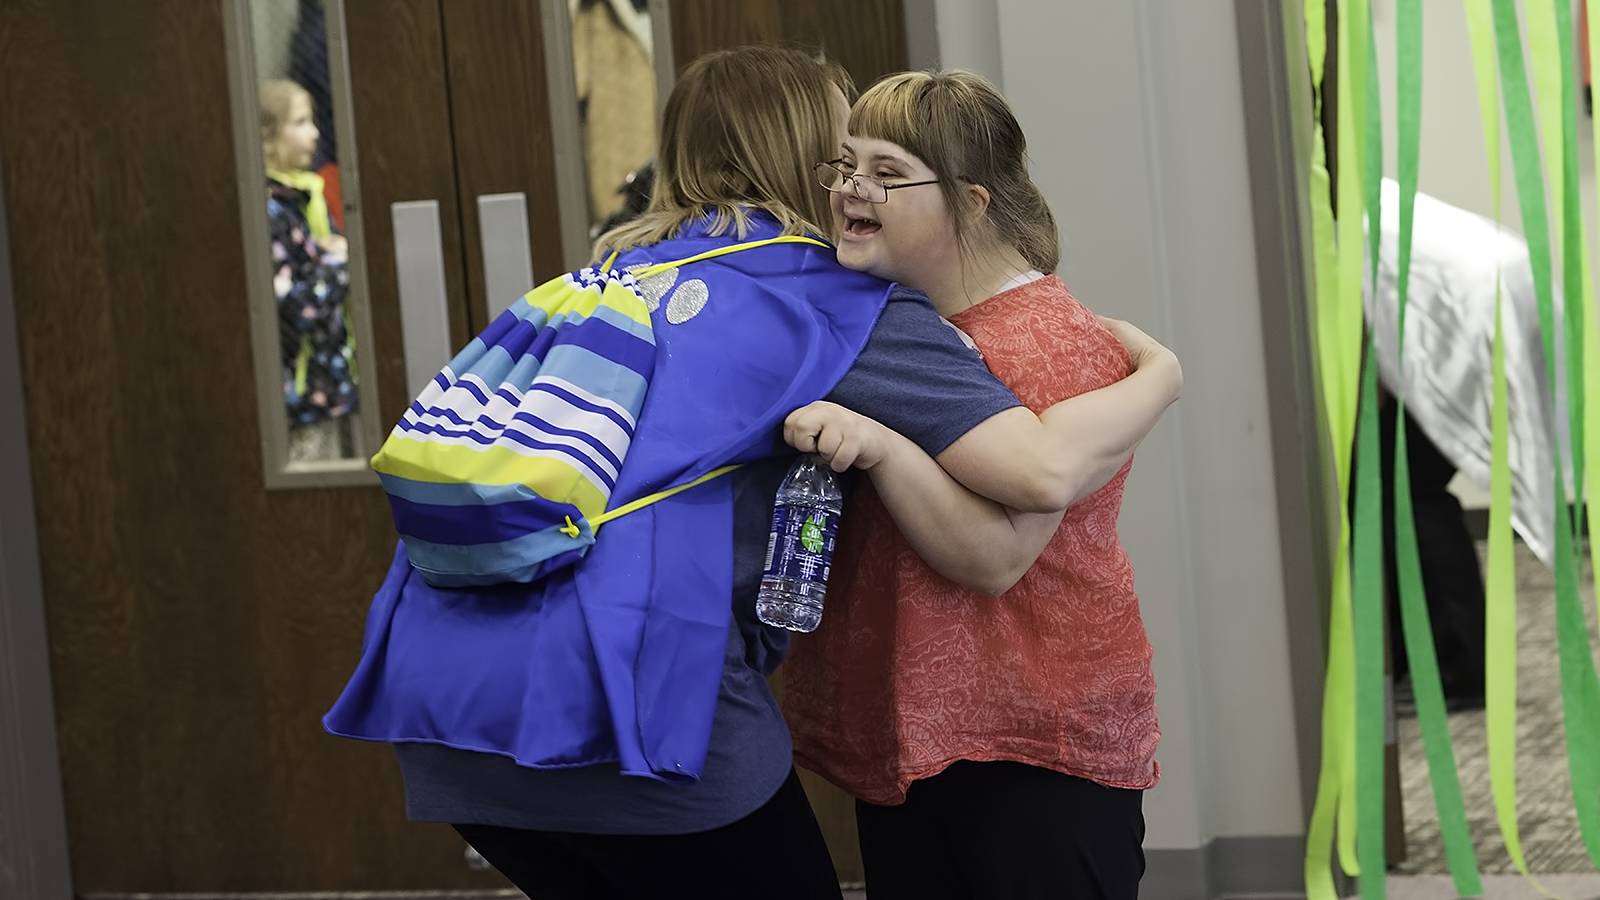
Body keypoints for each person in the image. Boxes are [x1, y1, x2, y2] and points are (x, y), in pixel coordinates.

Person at [323, 48, 1179, 900]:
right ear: (809, 154)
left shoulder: (606, 280)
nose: (850, 184)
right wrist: (1159, 376)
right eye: (844, 155)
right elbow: (1036, 472)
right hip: (634, 717)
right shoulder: (828, 301)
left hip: (449, 711)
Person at [780, 70, 1166, 900]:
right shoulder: (906, 322)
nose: (853, 189)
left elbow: (997, 559)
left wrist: (881, 446)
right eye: (847, 166)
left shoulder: (1047, 339)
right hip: (928, 743)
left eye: (888, 173)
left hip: (1031, 743)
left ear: (973, 201)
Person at [259, 79, 356, 462]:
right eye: (300, 122)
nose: (314, 134)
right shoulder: (270, 209)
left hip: (330, 379)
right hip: (299, 394)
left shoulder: (306, 194)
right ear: (267, 135)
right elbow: (296, 303)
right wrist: (343, 260)